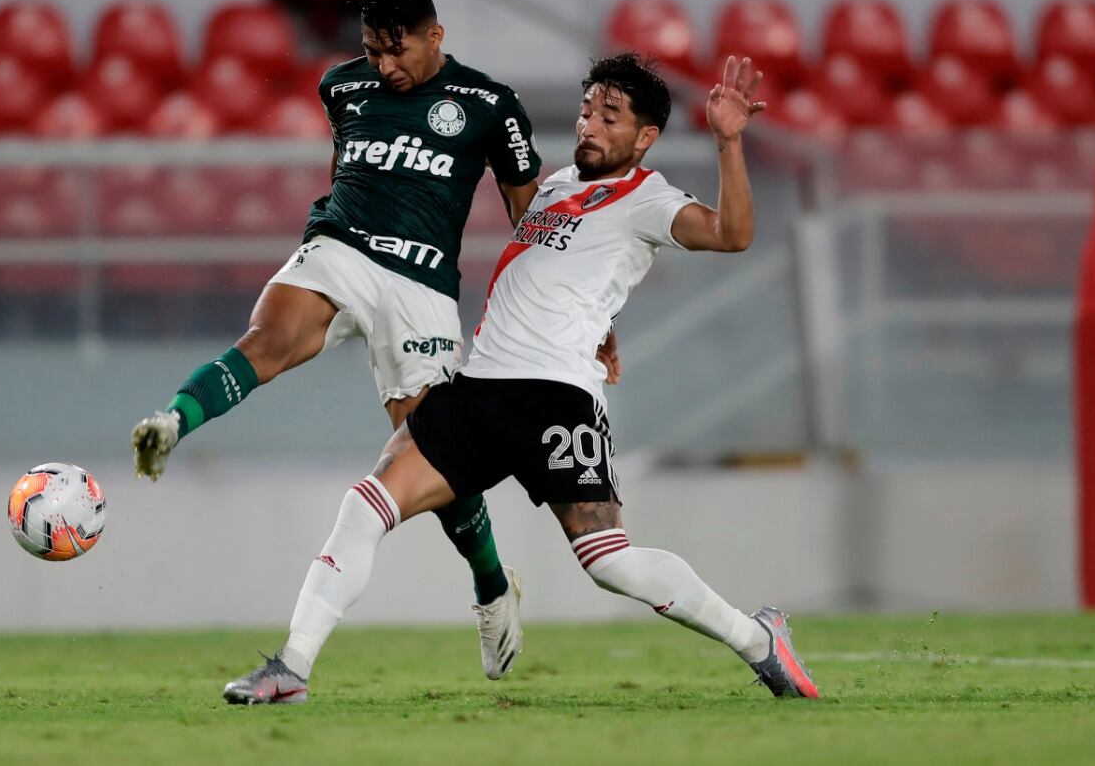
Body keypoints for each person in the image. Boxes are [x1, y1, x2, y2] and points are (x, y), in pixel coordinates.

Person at [221, 52, 819, 705]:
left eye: (610, 116)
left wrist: (728, 142)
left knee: (608, 561)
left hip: (556, 397)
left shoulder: (650, 199)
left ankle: (758, 639)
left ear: (645, 136)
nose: (590, 124)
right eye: (587, 110)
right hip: (479, 389)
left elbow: (733, 233)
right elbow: (563, 271)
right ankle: (291, 669)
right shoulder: (557, 187)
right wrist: (605, 322)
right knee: (365, 506)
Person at [131, 0, 615, 680]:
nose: (384, 66)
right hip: (341, 248)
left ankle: (491, 586)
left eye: (397, 50)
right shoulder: (343, 87)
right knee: (267, 340)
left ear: (434, 36)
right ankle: (173, 421)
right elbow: (345, 167)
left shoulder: (489, 105)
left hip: (421, 286)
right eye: (372, 51)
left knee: (432, 453)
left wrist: (579, 313)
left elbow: (530, 221)